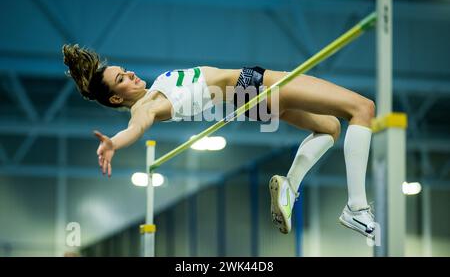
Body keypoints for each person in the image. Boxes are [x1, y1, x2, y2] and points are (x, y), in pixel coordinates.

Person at [62, 44, 376, 238]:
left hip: (247, 99)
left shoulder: (155, 89)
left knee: (330, 128)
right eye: (122, 80)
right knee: (362, 108)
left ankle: (290, 187)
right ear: (117, 99)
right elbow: (137, 127)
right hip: (251, 86)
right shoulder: (147, 107)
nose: (130, 75)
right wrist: (115, 142)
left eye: (125, 71)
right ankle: (356, 208)